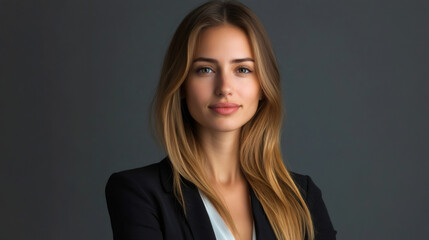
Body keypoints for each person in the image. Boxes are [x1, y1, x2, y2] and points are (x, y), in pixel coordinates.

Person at [105, 1, 337, 239]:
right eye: (205, 69)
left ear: (263, 86)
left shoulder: (301, 198)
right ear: (182, 83)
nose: (225, 88)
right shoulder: (138, 193)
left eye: (243, 70)